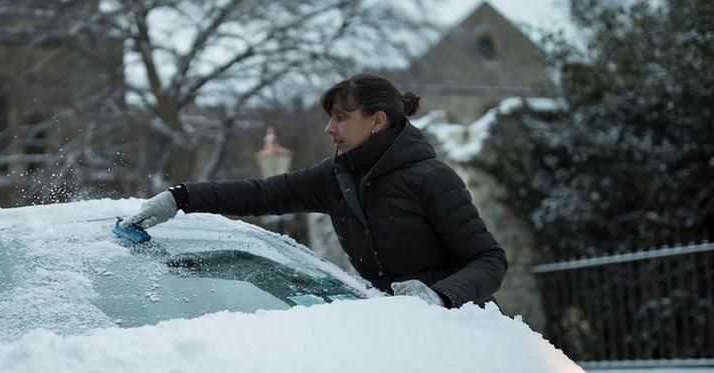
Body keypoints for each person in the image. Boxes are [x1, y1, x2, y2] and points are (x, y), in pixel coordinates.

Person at [121, 73, 507, 308]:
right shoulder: (336, 177)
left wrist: (438, 296)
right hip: (398, 329)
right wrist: (181, 197)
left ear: (377, 121)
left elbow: (489, 260)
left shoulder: (431, 178)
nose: (330, 128)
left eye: (341, 118)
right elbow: (261, 194)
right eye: (330, 118)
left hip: (462, 328)